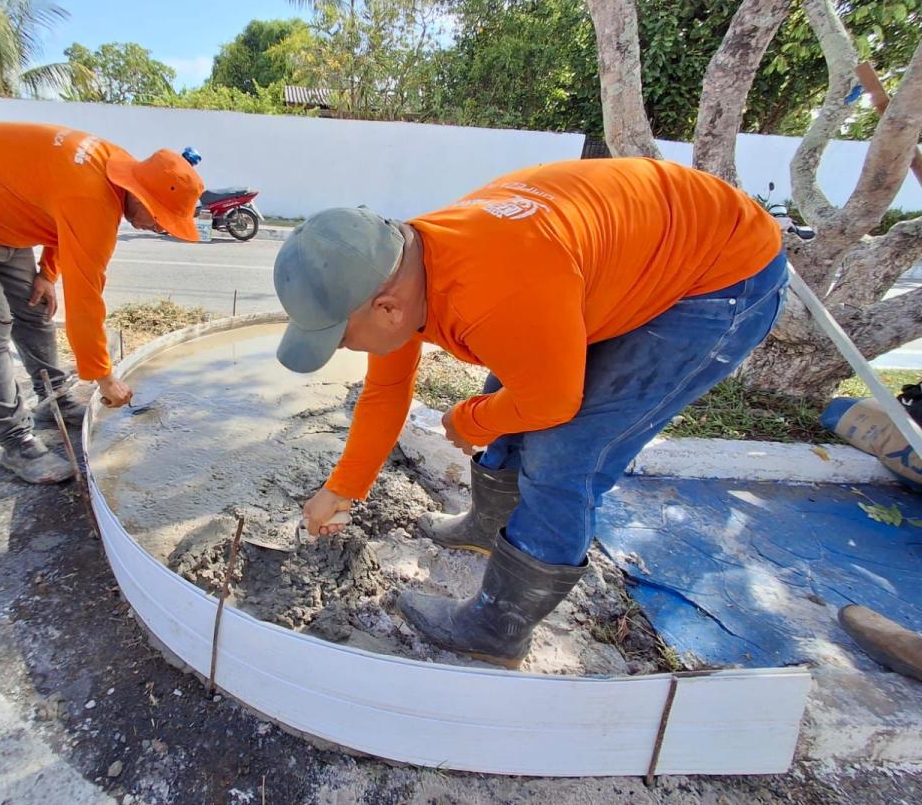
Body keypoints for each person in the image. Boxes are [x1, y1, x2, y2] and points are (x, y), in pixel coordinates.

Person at [273, 157, 786, 667]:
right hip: (614, 254)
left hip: (718, 274)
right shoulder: (403, 271)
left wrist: (471, 420)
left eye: (340, 337)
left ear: (387, 309)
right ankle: (488, 529)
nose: (342, 350)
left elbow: (551, 401)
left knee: (567, 451)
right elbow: (386, 391)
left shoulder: (492, 289)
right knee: (517, 381)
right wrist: (343, 487)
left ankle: (498, 627)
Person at [0, 121, 204, 484]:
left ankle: (53, 397)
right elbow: (85, 297)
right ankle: (16, 441)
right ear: (139, 193)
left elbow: (62, 220)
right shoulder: (93, 199)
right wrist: (103, 377)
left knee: (35, 304)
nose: (160, 228)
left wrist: (48, 272)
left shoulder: (114, 168)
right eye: (160, 218)